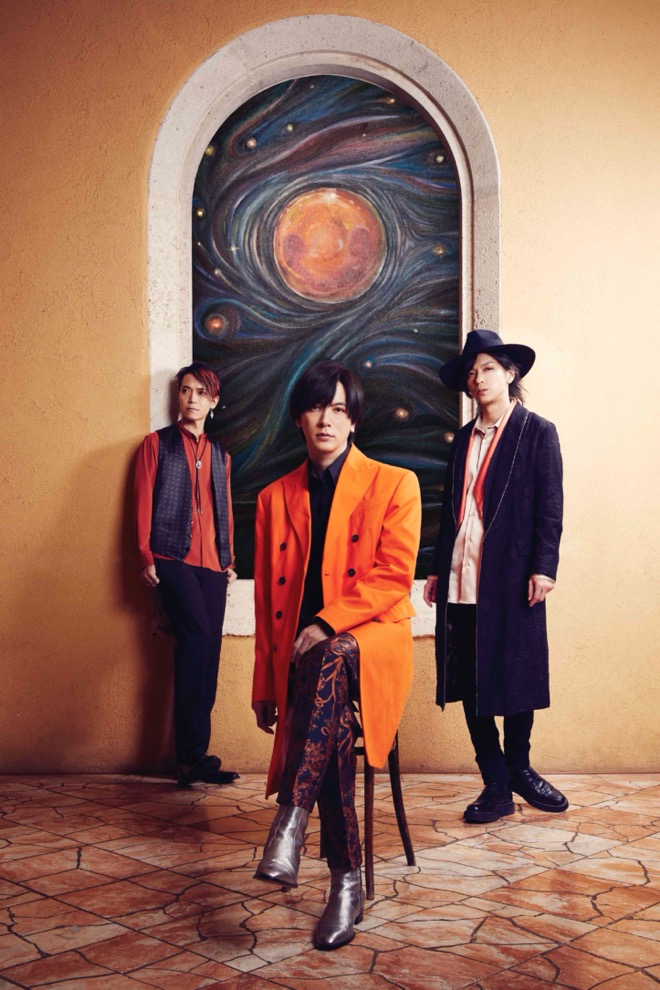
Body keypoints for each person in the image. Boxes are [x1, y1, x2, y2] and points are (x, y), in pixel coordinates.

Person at [251, 360, 421, 950]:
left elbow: (392, 577)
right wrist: (264, 685)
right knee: (329, 712)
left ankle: (291, 820)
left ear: (354, 421)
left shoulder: (395, 483)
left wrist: (326, 623)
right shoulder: (273, 497)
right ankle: (345, 882)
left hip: (372, 642)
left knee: (328, 655)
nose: (327, 419)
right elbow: (268, 603)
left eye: (340, 409)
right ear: (300, 418)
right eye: (317, 407)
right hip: (307, 660)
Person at [424, 329, 567, 823]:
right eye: (471, 372)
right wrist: (436, 567)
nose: (478, 378)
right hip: (461, 572)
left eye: (487, 368)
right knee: (469, 677)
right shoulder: (463, 438)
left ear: (510, 373)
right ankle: (496, 782)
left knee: (517, 669)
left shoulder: (537, 431)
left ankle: (520, 766)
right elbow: (450, 510)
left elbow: (550, 506)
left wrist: (544, 567)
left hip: (511, 573)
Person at [134, 361, 239, 788]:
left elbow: (224, 510)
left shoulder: (222, 455)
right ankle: (189, 756)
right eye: (185, 390)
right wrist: (146, 555)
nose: (191, 398)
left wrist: (228, 559)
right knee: (195, 641)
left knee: (208, 651)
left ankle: (196, 757)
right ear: (178, 396)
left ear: (213, 402)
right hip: (172, 556)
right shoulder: (156, 444)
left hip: (214, 564)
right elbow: (143, 499)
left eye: (200, 392)